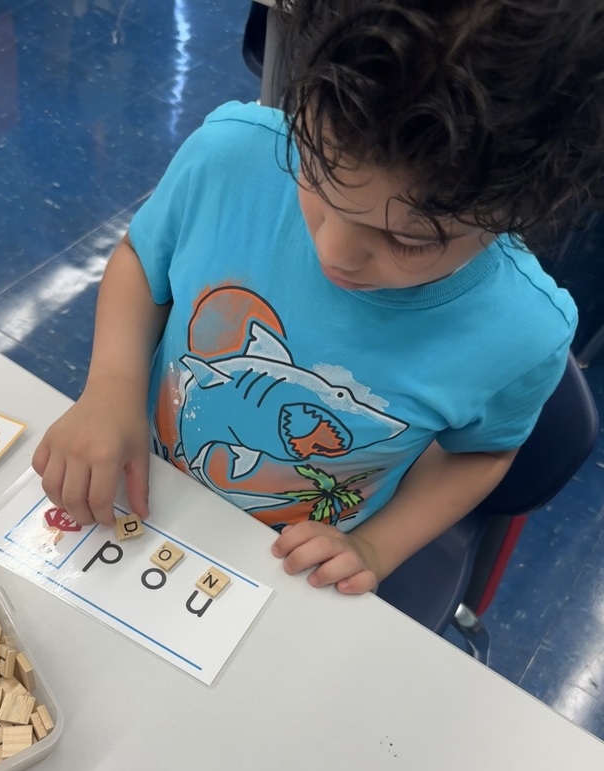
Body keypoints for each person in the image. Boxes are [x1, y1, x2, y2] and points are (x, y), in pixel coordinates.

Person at [33, 0, 604, 596]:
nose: (336, 251)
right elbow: (140, 261)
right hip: (141, 482)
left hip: (286, 571)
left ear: (519, 211)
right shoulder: (229, 157)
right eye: (315, 175)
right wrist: (109, 391)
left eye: (405, 239)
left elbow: (481, 454)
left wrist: (374, 546)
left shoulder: (522, 333)